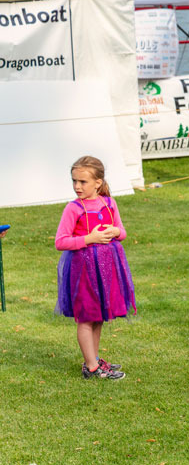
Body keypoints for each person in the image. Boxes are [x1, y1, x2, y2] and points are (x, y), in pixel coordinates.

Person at [55, 156, 135, 380]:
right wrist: (89, 238)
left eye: (83, 182)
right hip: (84, 271)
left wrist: (115, 232)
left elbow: (123, 231)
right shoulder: (73, 209)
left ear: (98, 183)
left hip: (107, 269)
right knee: (86, 317)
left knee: (98, 315)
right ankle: (91, 367)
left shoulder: (109, 203)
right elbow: (60, 241)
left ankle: (94, 358)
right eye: (74, 181)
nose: (77, 187)